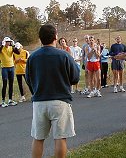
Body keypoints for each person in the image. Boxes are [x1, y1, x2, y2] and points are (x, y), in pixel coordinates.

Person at [26, 24, 80, 158]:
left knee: (38, 138)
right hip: (60, 101)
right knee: (60, 138)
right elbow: (75, 78)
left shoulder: (32, 57)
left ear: (40, 38)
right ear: (55, 37)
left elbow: (28, 79)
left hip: (39, 101)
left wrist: (36, 91)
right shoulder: (64, 55)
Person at [0, 37, 19, 107]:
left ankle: (10, 100)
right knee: (5, 83)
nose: (8, 43)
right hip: (4, 67)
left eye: (9, 42)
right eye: (7, 42)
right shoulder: (2, 48)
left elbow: (18, 52)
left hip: (11, 67)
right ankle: (3, 101)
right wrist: (2, 45)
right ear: (4, 42)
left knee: (11, 83)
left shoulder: (11, 48)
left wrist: (14, 46)